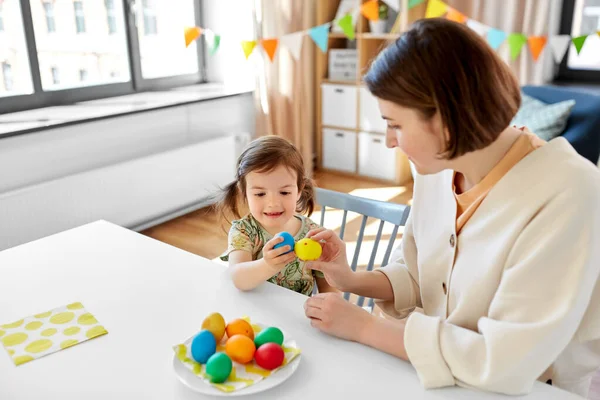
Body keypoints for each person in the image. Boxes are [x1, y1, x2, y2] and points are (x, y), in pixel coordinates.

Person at [303, 18, 600, 397]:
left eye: (395, 125)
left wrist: (366, 327)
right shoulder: (438, 168)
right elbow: (419, 275)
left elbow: (507, 362)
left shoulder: (570, 192)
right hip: (423, 369)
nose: (389, 142)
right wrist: (348, 279)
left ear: (445, 119)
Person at [217, 135, 337, 296]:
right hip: (254, 314)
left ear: (299, 190)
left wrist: (329, 303)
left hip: (295, 317)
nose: (273, 203)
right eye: (260, 194)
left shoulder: (312, 234)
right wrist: (268, 265)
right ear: (244, 192)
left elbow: (329, 288)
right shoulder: (244, 231)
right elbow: (238, 278)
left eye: (284, 192)